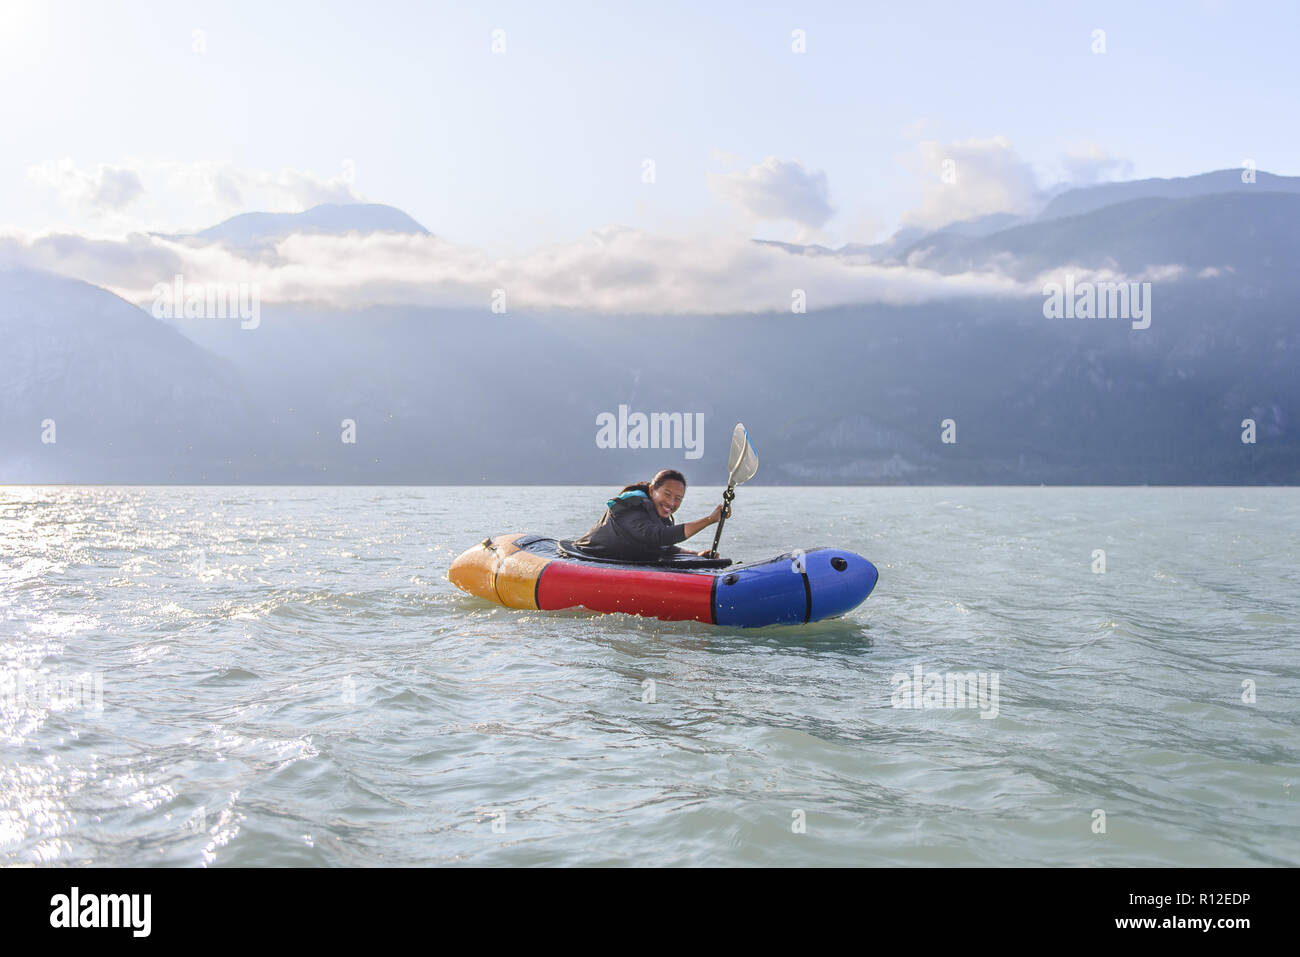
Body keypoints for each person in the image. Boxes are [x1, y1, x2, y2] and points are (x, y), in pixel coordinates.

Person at [570, 469, 725, 562]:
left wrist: (696, 554)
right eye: (667, 494)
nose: (671, 503)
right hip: (586, 557)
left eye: (678, 499)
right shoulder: (632, 510)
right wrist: (710, 519)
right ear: (652, 491)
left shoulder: (658, 516)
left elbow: (662, 547)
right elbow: (658, 536)